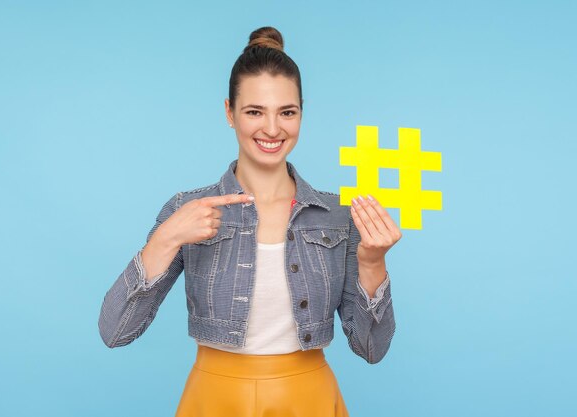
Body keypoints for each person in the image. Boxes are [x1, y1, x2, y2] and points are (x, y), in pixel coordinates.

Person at [98, 26, 400, 417]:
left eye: (286, 112)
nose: (272, 129)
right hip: (214, 398)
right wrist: (166, 238)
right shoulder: (186, 208)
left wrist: (374, 263)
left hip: (309, 398)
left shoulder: (340, 215)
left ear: (301, 113)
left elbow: (371, 349)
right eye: (255, 111)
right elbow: (115, 332)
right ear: (229, 112)